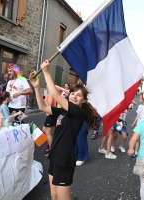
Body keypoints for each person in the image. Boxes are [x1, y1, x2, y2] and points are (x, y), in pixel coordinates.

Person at [29, 60, 99, 200]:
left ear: (83, 100)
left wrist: (47, 72)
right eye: (73, 93)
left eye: (79, 95)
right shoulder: (62, 112)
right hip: (54, 156)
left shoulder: (78, 114)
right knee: (54, 195)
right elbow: (43, 107)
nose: (74, 96)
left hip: (65, 160)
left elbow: (55, 95)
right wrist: (37, 87)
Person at [130, 92, 144, 159]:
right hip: (138, 125)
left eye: (140, 98)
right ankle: (136, 153)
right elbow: (138, 115)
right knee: (137, 140)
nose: (139, 99)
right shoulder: (140, 106)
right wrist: (134, 123)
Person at [42, 91, 58, 157]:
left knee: (48, 133)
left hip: (51, 114)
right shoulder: (49, 93)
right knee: (44, 130)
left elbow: (49, 105)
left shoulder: (51, 94)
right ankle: (50, 145)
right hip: (49, 114)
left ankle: (52, 150)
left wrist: (43, 100)